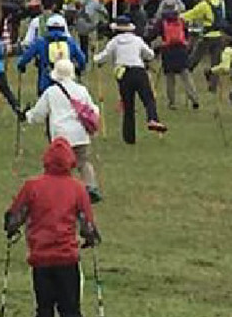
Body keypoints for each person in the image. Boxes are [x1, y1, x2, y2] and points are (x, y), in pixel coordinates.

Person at [4, 137, 101, 317]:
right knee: (70, 310)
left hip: (41, 259)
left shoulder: (33, 186)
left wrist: (12, 229)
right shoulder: (77, 188)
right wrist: (91, 239)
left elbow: (14, 217)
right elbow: (87, 224)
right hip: (67, 258)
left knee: (44, 309)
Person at [26, 58, 101, 201]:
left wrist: (28, 116)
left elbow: (39, 114)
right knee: (83, 162)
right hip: (80, 133)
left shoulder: (51, 92)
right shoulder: (82, 90)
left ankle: (64, 192)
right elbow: (94, 110)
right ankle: (91, 187)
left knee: (61, 165)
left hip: (61, 136)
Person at [92, 17, 165, 144]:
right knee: (148, 98)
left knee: (128, 105)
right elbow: (150, 55)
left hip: (124, 74)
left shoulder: (114, 41)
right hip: (139, 71)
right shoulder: (137, 40)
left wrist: (95, 57)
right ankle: (152, 118)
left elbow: (103, 57)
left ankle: (129, 138)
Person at [17, 13, 87, 95]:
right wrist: (80, 68)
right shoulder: (70, 42)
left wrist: (21, 65)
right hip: (67, 82)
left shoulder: (41, 41)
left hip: (46, 81)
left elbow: (27, 56)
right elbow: (82, 58)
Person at [148, 3, 198, 110]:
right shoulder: (180, 20)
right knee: (186, 75)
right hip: (181, 50)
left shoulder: (162, 21)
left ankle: (172, 102)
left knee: (170, 78)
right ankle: (194, 98)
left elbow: (152, 34)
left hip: (168, 51)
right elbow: (187, 35)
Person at [182, 0, 231, 88]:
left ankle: (185, 75)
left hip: (207, 36)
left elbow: (192, 14)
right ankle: (213, 86)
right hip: (219, 35)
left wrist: (179, 17)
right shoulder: (221, 3)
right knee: (216, 62)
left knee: (194, 58)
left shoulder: (204, 4)